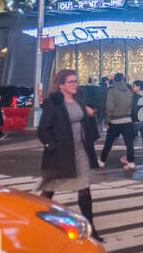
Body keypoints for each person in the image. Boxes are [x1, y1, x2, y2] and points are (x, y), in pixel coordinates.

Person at [37, 69, 102, 241]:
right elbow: (43, 130)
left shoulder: (79, 101)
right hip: (60, 153)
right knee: (49, 190)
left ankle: (91, 228)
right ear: (61, 85)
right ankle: (38, 223)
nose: (75, 84)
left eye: (75, 81)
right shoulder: (54, 103)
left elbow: (85, 123)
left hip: (80, 151)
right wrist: (52, 146)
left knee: (84, 189)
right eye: (71, 82)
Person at [100, 73, 137, 171]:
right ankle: (131, 162)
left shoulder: (112, 91)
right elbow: (133, 105)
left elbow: (109, 107)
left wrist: (107, 121)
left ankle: (102, 161)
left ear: (114, 80)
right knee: (129, 143)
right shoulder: (129, 90)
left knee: (108, 143)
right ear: (123, 79)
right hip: (127, 120)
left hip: (115, 121)